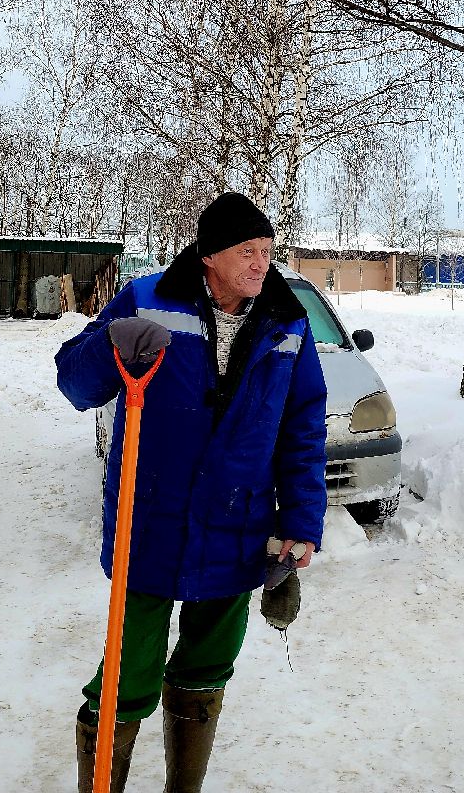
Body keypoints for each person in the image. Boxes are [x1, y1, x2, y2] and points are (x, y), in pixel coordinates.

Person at [55, 191, 328, 793]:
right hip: (150, 521)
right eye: (247, 250)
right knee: (127, 673)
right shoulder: (148, 299)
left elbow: (303, 424)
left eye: (267, 250)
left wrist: (301, 520)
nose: (261, 263)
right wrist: (109, 345)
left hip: (237, 524)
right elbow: (77, 386)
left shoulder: (286, 320)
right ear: (209, 255)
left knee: (207, 668)